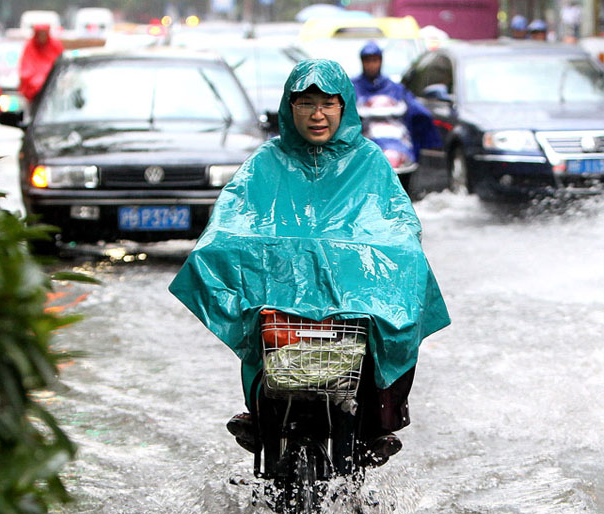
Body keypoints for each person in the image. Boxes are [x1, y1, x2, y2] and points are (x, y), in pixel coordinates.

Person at [169, 59, 450, 466]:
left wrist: (398, 255)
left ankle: (378, 423)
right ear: (290, 107)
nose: (317, 114)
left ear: (344, 107)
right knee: (262, 339)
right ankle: (259, 415)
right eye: (306, 103)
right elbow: (232, 217)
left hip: (353, 306)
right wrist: (221, 247)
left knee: (406, 305)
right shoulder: (265, 162)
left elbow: (398, 223)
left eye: (327, 103)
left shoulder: (369, 162)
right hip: (280, 305)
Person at [351, 41, 441, 161]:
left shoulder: (394, 88)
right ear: (362, 62)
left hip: (396, 141)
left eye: (375, 60)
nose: (371, 65)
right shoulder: (352, 87)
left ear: (380, 61)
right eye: (368, 61)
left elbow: (416, 110)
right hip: (365, 141)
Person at [18, 23, 64, 103]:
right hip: (34, 94)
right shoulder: (30, 47)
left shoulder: (55, 45)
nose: (42, 37)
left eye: (44, 34)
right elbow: (26, 68)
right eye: (40, 34)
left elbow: (61, 64)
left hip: (54, 91)